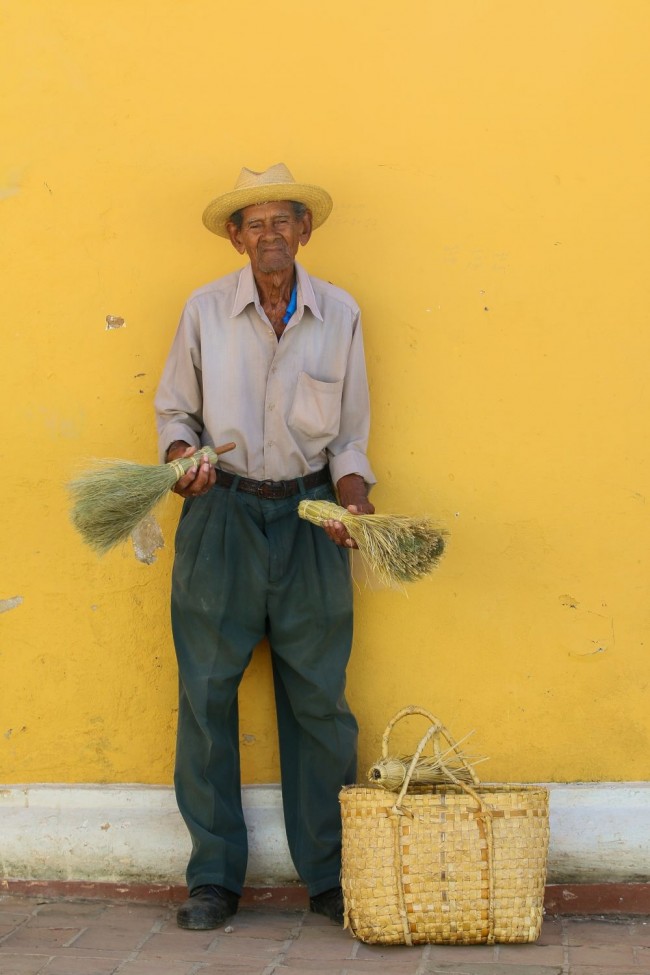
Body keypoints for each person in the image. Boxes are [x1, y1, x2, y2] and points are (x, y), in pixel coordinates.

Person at [154, 163, 376, 931]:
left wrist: (355, 501)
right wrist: (183, 461)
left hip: (312, 514)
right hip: (221, 514)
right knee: (207, 697)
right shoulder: (205, 311)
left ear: (304, 232)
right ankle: (214, 877)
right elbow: (174, 412)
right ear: (235, 237)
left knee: (319, 699)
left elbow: (349, 436)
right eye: (256, 223)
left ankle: (328, 874)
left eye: (284, 220)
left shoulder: (340, 313)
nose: (270, 234)